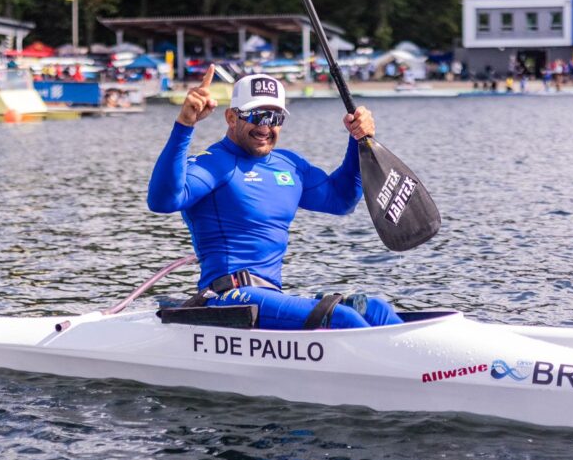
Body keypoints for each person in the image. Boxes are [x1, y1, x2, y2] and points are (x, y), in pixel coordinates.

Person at [147, 66, 402, 330]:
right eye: (256, 115)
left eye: (275, 117)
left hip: (270, 296)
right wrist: (185, 125)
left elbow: (342, 200)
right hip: (226, 299)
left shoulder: (289, 165)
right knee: (342, 318)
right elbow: (163, 201)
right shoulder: (215, 164)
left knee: (377, 310)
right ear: (231, 117)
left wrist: (359, 140)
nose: (266, 126)